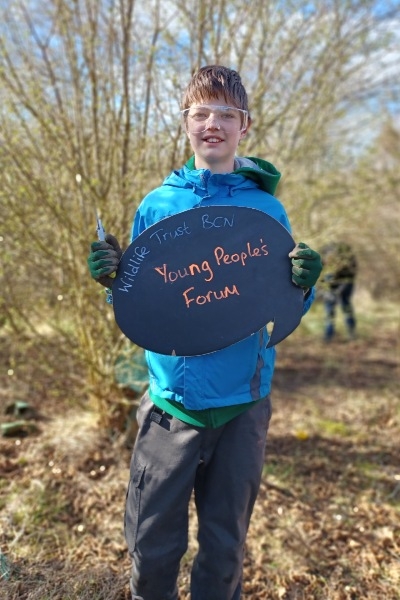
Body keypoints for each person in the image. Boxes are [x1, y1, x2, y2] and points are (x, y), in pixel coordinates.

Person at [87, 65, 323, 600]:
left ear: (245, 126)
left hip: (243, 406)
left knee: (223, 552)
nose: (211, 124)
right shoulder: (157, 206)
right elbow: (144, 304)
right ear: (186, 123)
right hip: (171, 407)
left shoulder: (264, 211)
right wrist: (112, 282)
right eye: (200, 113)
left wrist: (304, 286)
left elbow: (278, 305)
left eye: (225, 114)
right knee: (152, 549)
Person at [319, 241, 357, 341]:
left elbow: (349, 278)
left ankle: (351, 332)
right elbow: (321, 277)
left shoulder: (345, 260)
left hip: (345, 283)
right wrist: (325, 292)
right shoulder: (324, 255)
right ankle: (328, 335)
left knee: (346, 305)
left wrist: (339, 291)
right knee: (329, 309)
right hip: (331, 284)